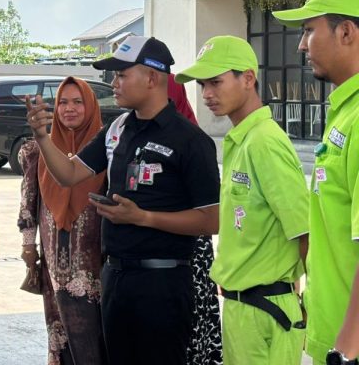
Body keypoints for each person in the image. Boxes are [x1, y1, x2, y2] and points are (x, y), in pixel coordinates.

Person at [26, 35, 220, 365]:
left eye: (121, 75)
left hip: (163, 283)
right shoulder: (117, 129)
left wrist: (143, 217)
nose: (114, 83)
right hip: (116, 278)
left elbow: (211, 220)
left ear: (152, 78)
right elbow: (69, 174)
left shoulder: (190, 140)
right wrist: (42, 137)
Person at [176, 35, 310, 365]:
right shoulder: (243, 139)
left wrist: (311, 301)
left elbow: (305, 231)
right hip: (244, 309)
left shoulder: (264, 143)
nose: (206, 94)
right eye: (202, 85)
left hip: (266, 313)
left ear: (248, 78)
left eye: (216, 82)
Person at [272, 0, 359, 365]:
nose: (301, 45)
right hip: (329, 334)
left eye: (309, 30)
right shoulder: (345, 110)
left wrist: (345, 351)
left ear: (346, 32)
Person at [18, 76, 106, 365]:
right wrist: (28, 245)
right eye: (63, 103)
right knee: (59, 332)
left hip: (96, 263)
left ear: (90, 105)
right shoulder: (38, 149)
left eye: (78, 102)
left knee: (97, 334)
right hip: (54, 264)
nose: (70, 109)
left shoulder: (107, 148)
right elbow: (29, 200)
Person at [168, 75, 223, 365]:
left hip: (192, 252)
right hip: (164, 258)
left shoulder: (193, 142)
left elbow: (210, 214)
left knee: (194, 327)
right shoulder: (134, 135)